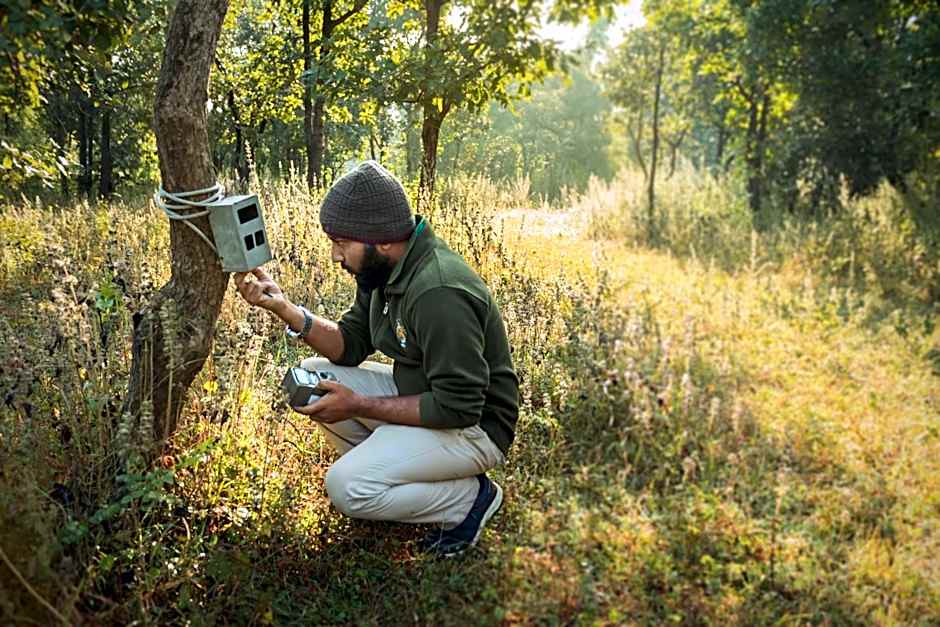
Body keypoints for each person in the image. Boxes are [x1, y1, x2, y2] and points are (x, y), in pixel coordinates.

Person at [234, 160, 519, 557]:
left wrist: (360, 405)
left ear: (381, 240)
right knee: (313, 380)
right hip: (424, 395)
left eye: (341, 243)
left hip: (476, 427)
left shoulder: (438, 292)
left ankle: (468, 501)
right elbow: (350, 344)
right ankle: (394, 472)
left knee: (346, 487)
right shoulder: (382, 270)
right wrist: (285, 308)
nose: (335, 256)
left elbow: (460, 405)